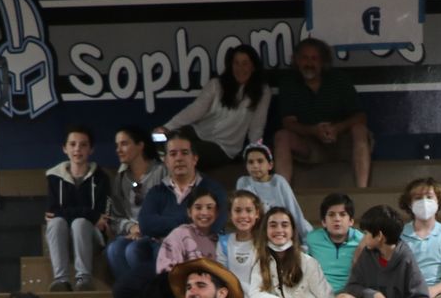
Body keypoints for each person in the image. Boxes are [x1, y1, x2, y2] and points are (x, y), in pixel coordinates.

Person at [107, 128, 230, 298]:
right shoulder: (157, 191)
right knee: (122, 288)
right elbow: (147, 225)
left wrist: (168, 225)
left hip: (199, 258)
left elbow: (212, 225)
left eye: (184, 153)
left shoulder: (212, 188)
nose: (179, 158)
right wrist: (186, 220)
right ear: (166, 161)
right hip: (164, 255)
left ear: (195, 159)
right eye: (173, 154)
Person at [271, 37, 372, 187]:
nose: (309, 63)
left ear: (323, 62)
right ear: (296, 60)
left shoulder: (338, 79)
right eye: (305, 58)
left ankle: (362, 190)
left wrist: (337, 128)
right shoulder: (289, 83)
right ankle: (282, 196)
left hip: (341, 143)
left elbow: (360, 116)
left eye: (314, 58)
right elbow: (288, 123)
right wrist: (313, 131)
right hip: (310, 147)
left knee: (359, 130)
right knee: (281, 136)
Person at [238, 206, 335, 298]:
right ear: (266, 230)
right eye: (273, 225)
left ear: (292, 230)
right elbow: (254, 294)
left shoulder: (308, 262)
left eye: (284, 225)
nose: (279, 229)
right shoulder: (260, 261)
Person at [158, 44, 272, 168]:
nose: (240, 68)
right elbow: (196, 109)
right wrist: (167, 127)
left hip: (223, 147)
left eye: (245, 63)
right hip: (198, 132)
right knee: (160, 140)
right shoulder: (216, 84)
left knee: (183, 153)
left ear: (253, 66)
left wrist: (255, 152)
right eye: (236, 63)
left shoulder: (263, 91)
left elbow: (256, 127)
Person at [43, 125, 112, 291]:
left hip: (91, 238)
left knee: (80, 223)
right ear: (64, 149)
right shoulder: (54, 177)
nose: (77, 149)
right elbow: (54, 213)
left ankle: (84, 279)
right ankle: (61, 280)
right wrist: (91, 214)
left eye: (83, 145)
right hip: (63, 238)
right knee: (56, 223)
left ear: (91, 149)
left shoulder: (101, 178)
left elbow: (102, 216)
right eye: (72, 144)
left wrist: (86, 216)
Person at [336, 205, 428, 298]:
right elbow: (351, 287)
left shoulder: (405, 257)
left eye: (366, 233)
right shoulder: (367, 254)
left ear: (379, 236)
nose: (364, 237)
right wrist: (373, 295)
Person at [103, 126, 165, 255]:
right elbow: (116, 218)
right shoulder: (121, 178)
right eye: (117, 145)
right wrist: (131, 227)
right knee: (113, 250)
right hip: (132, 233)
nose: (118, 150)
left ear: (140, 145)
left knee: (133, 251)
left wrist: (146, 229)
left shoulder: (161, 172)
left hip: (158, 233)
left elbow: (169, 209)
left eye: (124, 144)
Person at [400, 177, 441, 298]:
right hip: (407, 292)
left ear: (438, 201)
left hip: (437, 293)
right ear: (409, 204)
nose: (424, 202)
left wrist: (432, 291)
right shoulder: (399, 234)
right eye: (417, 198)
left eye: (429, 197)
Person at [305, 192, 364, 298]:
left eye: (342, 214)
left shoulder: (361, 241)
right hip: (318, 297)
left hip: (350, 297)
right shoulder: (312, 239)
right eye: (331, 214)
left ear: (351, 221)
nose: (337, 219)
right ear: (323, 222)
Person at [236, 142, 305, 230]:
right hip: (256, 231)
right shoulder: (243, 182)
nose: (255, 166)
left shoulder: (278, 181)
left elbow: (294, 211)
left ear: (270, 165)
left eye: (260, 161)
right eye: (250, 162)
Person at [217, 189, 265, 292]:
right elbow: (222, 276)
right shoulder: (223, 243)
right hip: (232, 297)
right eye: (238, 211)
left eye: (248, 210)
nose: (243, 216)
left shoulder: (263, 242)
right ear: (230, 214)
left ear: (256, 213)